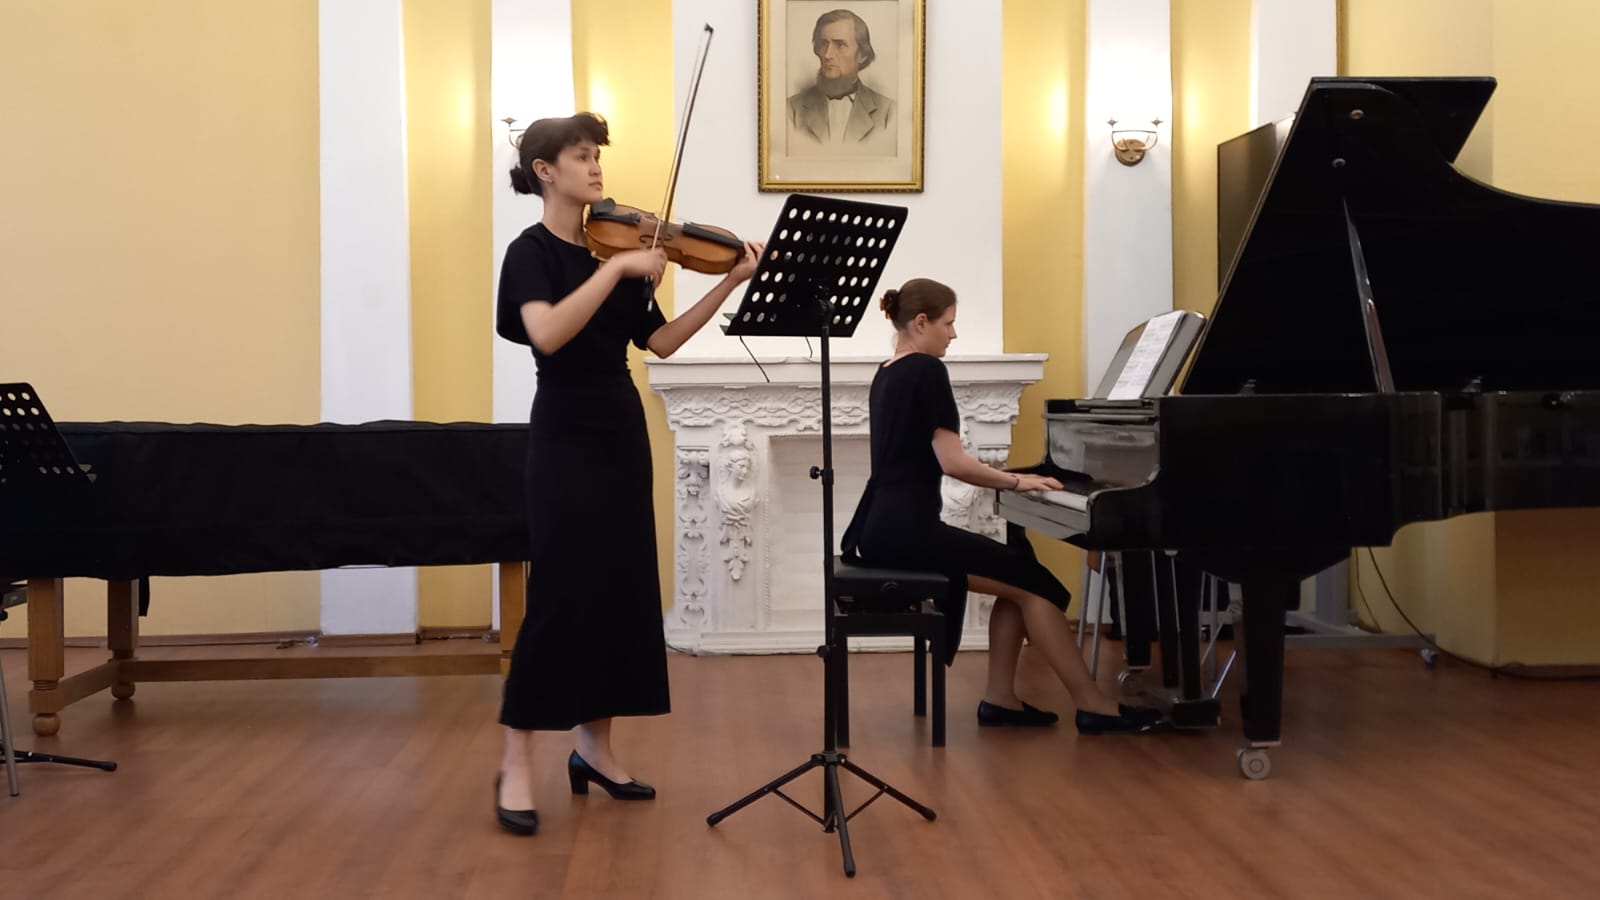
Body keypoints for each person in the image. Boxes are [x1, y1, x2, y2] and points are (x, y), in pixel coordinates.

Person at [492, 112, 764, 836]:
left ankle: (595, 751)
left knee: (618, 590)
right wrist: (615, 270)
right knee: (560, 595)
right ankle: (516, 761)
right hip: (565, 433)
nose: (596, 169)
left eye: (597, 158)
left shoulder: (616, 246)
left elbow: (662, 342)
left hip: (620, 428)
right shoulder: (532, 253)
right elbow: (547, 334)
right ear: (544, 171)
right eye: (582, 157)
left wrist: (730, 283)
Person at [840, 278, 1161, 736]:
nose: (953, 334)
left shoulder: (887, 371)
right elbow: (953, 462)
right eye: (949, 323)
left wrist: (1014, 480)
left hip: (879, 529)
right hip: (908, 533)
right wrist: (1016, 481)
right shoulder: (927, 370)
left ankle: (1001, 699)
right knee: (1040, 588)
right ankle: (1093, 705)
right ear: (921, 323)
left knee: (1019, 573)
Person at [786, 8, 895, 153]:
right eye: (823, 44)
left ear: (862, 54)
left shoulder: (888, 111)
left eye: (840, 45)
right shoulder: (792, 109)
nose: (827, 54)